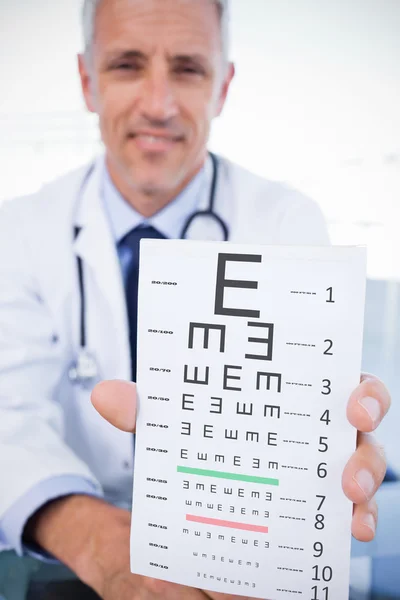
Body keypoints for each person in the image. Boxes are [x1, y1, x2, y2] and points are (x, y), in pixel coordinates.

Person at [0, 0, 391, 598]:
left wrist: (324, 443)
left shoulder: (284, 221)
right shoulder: (20, 232)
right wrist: (100, 543)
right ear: (87, 82)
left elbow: (296, 423)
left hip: (239, 555)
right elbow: (7, 418)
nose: (158, 105)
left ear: (223, 86)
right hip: (66, 565)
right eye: (128, 65)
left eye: (187, 68)